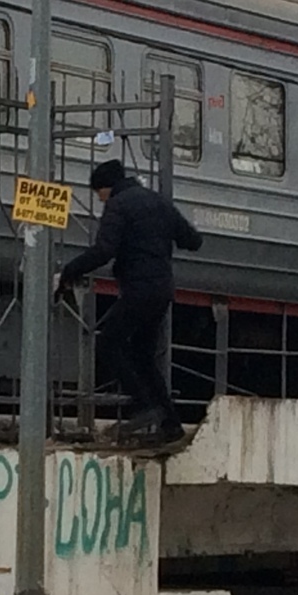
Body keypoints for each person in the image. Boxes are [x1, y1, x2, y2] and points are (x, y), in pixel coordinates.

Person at [56, 159, 203, 444]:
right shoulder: (157, 202)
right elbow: (192, 240)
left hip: (138, 289)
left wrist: (69, 272)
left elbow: (103, 250)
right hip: (162, 289)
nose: (99, 201)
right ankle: (170, 424)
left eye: (98, 194)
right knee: (143, 356)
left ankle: (145, 406)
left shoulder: (118, 205)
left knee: (108, 342)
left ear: (105, 188)